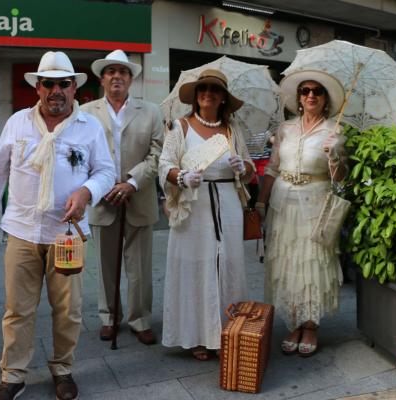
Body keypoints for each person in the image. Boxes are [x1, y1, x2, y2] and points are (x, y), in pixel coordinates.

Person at [0, 51, 115, 400]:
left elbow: (106, 172)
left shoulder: (90, 127)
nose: (56, 90)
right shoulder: (18, 122)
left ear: (74, 88)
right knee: (17, 309)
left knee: (69, 310)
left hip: (67, 235)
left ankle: (63, 369)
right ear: (38, 88)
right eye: (48, 83)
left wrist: (87, 191)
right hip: (22, 231)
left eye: (63, 84)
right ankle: (13, 375)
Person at [158, 69, 254, 360]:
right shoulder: (179, 127)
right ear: (195, 95)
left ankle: (227, 331)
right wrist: (182, 177)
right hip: (193, 205)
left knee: (228, 265)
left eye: (214, 90)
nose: (208, 94)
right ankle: (197, 335)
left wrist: (241, 168)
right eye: (203, 89)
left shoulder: (232, 130)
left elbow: (249, 171)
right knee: (195, 267)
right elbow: (164, 165)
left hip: (228, 205)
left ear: (223, 98)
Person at [256, 70, 347, 357]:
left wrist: (335, 155)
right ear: (298, 97)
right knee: (287, 262)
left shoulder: (335, 131)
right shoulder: (285, 128)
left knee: (311, 264)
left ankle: (310, 325)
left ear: (325, 99)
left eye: (317, 91)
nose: (310, 95)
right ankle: (294, 322)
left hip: (315, 204)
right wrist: (260, 204)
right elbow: (272, 169)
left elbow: (342, 179)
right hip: (282, 205)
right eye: (305, 90)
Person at [80, 49, 163, 345]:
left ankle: (140, 319)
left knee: (139, 267)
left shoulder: (151, 111)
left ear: (131, 79)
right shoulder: (86, 113)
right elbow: (82, 156)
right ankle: (109, 317)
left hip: (138, 198)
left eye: (123, 72)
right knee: (105, 266)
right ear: (102, 78)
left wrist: (132, 181)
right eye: (111, 71)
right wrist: (101, 185)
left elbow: (157, 152)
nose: (117, 76)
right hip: (103, 201)